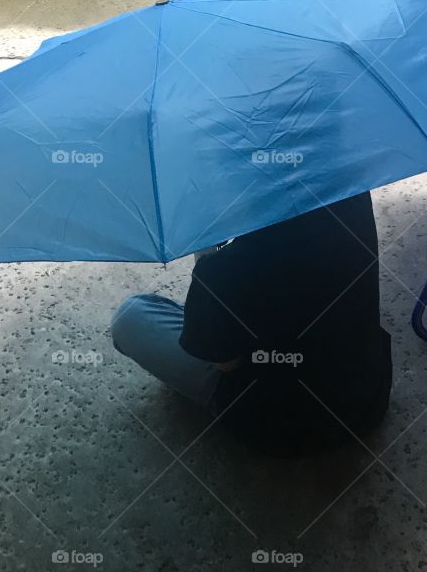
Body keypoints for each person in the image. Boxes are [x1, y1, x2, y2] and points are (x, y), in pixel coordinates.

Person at [111, 192, 392, 456]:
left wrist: (206, 260)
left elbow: (224, 362)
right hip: (367, 396)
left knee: (131, 315)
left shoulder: (225, 269)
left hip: (280, 428)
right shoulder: (350, 193)